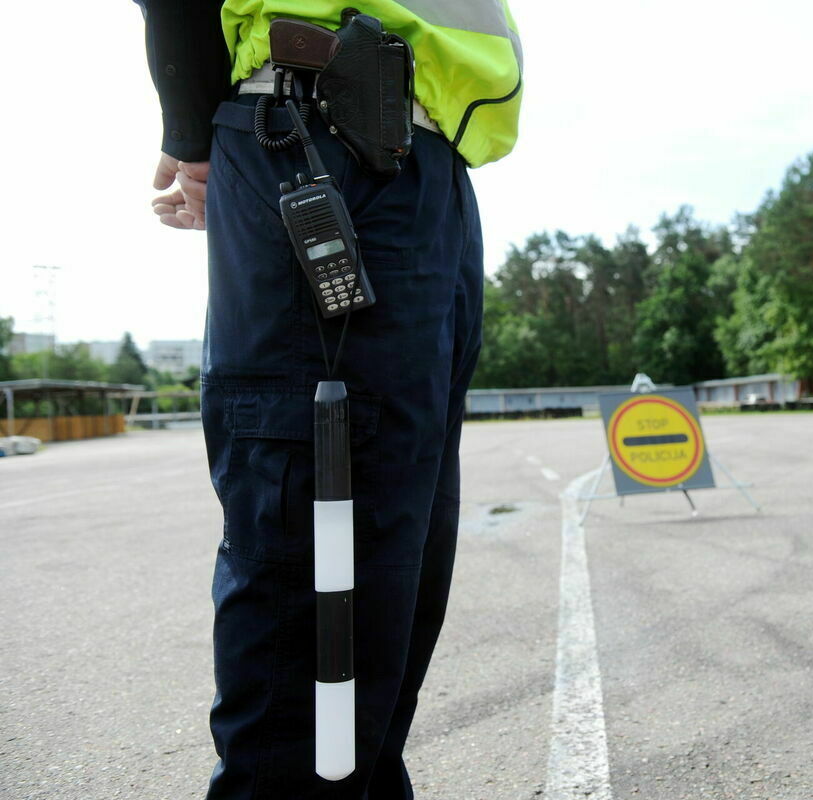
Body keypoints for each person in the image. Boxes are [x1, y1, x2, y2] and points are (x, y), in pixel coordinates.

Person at [133, 2, 522, 797]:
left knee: (393, 568)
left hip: (427, 165)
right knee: (314, 568)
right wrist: (191, 140)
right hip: (313, 132)